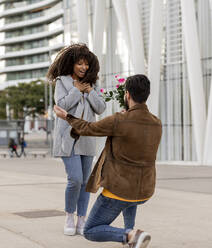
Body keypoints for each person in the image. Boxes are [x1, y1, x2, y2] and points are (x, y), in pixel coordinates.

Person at [54, 74, 162, 248]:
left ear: (127, 95)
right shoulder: (157, 123)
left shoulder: (120, 120)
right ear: (147, 95)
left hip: (119, 190)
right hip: (144, 191)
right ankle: (133, 236)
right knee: (130, 199)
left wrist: (67, 116)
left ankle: (130, 235)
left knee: (90, 230)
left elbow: (88, 128)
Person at [47, 43, 106, 236]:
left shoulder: (92, 85)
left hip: (87, 139)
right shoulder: (62, 82)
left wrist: (89, 91)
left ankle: (82, 218)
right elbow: (61, 106)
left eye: (86, 64)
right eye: (80, 63)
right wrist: (76, 89)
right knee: (75, 179)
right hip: (68, 138)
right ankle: (69, 216)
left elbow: (100, 108)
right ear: (72, 64)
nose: (83, 67)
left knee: (85, 182)